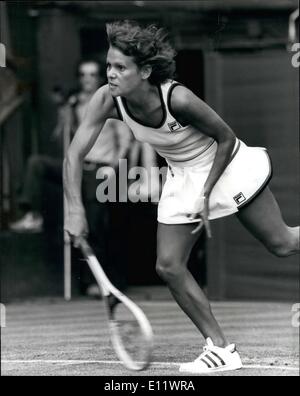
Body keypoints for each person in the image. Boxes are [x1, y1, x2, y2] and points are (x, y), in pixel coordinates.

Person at [63, 20, 299, 374]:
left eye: (120, 68)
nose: (110, 74)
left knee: (282, 243)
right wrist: (74, 209)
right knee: (169, 265)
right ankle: (221, 349)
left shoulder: (179, 98)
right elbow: (73, 155)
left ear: (144, 71)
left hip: (227, 164)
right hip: (181, 173)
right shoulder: (106, 100)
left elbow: (227, 138)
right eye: (109, 66)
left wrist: (205, 194)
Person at [10, 57, 132, 293]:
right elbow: (61, 137)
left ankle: (97, 283)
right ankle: (31, 214)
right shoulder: (75, 104)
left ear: (100, 77)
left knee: (94, 227)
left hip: (100, 170)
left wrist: (115, 168)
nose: (88, 79)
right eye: (83, 75)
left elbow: (124, 140)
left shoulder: (113, 103)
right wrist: (63, 112)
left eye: (92, 75)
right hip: (76, 166)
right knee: (37, 163)